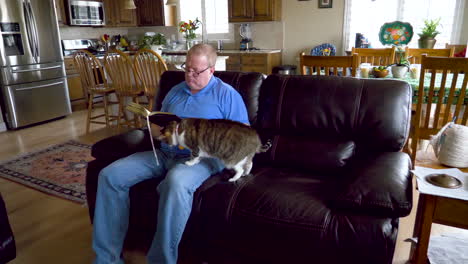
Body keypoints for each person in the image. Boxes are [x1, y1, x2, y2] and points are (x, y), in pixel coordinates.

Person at [92, 44, 249, 264]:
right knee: (109, 175)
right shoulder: (175, 91)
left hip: (201, 159)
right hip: (164, 153)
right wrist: (156, 129)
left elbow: (241, 137)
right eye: (187, 69)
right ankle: (106, 259)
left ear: (211, 70)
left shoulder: (227, 95)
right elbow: (158, 127)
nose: (190, 75)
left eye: (196, 71)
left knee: (175, 182)